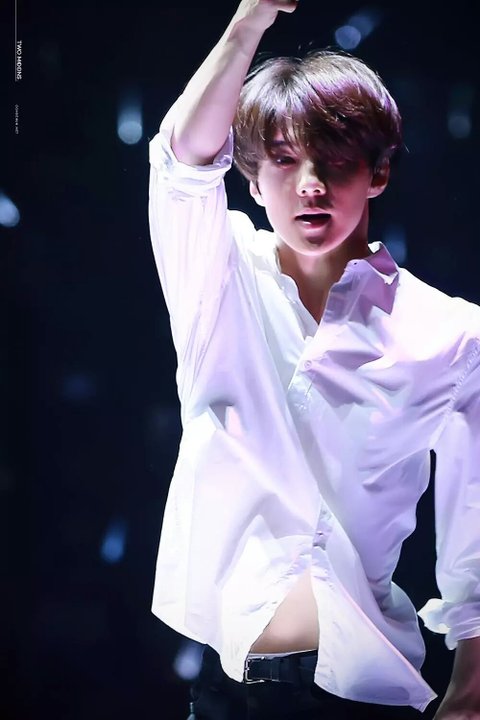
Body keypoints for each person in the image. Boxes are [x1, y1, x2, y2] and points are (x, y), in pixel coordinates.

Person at [147, 1, 480, 718]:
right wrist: (249, 22)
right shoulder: (217, 278)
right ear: (251, 176)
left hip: (367, 691)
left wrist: (472, 687)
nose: (310, 184)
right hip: (234, 689)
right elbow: (181, 162)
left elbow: (474, 523)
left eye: (335, 160)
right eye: (284, 160)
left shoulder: (450, 333)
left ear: (378, 173)